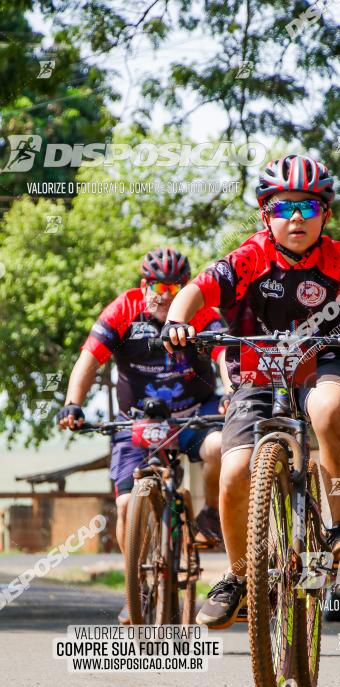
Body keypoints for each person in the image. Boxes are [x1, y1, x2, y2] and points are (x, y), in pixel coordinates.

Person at [162, 155, 340, 627]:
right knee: (233, 471)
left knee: (329, 406)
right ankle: (237, 578)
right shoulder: (249, 256)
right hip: (257, 370)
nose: (296, 218)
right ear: (265, 214)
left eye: (309, 208)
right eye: (284, 207)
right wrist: (176, 320)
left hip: (325, 359)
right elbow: (197, 289)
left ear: (325, 215)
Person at [58, 246, 230, 623]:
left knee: (222, 448)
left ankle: (211, 515)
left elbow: (223, 356)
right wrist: (73, 403)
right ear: (144, 284)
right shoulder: (123, 309)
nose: (167, 295)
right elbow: (88, 358)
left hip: (193, 415)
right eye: (159, 287)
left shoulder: (200, 310)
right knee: (123, 504)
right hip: (136, 420)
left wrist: (232, 391)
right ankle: (135, 586)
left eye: (175, 287)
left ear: (185, 287)